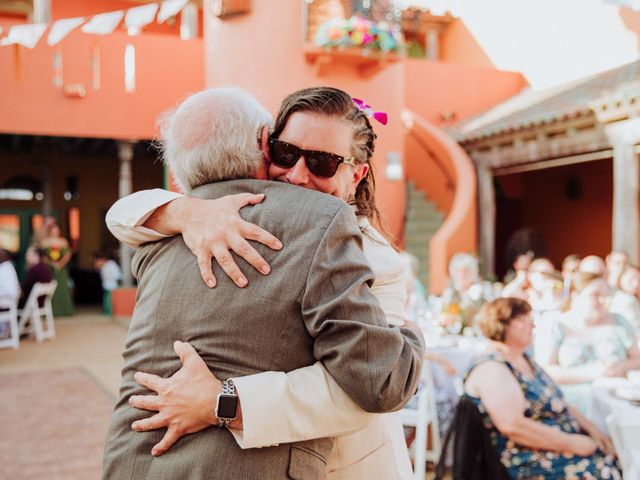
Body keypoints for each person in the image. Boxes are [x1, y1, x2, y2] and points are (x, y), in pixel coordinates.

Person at [102, 87, 424, 480]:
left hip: (344, 465)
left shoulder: (376, 261)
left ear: (355, 174)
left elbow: (361, 393)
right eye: (287, 153)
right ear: (266, 147)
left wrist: (221, 402)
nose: (297, 176)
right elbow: (122, 216)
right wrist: (185, 211)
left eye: (323, 163)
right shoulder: (222, 218)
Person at [463, 297, 621, 479]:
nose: (532, 325)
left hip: (555, 446)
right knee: (603, 470)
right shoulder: (492, 367)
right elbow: (512, 426)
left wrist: (594, 431)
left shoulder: (523, 359)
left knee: (617, 455)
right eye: (523, 320)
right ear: (501, 324)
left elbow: (558, 402)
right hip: (526, 457)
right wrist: (572, 443)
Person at [535, 272, 640, 412]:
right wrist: (591, 372)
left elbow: (636, 358)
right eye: (595, 295)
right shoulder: (555, 325)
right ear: (575, 295)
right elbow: (545, 370)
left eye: (605, 295)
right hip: (573, 405)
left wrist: (618, 367)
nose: (602, 300)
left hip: (617, 400)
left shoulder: (619, 322)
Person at [38, 221, 74, 316]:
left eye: (57, 230)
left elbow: (67, 254)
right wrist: (51, 263)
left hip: (61, 269)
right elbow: (42, 255)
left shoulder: (63, 241)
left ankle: (64, 310)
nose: (55, 232)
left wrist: (60, 263)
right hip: (49, 269)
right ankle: (50, 311)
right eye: (53, 230)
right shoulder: (44, 242)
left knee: (61, 288)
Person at [610, 267, 640, 333]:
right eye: (631, 279)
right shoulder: (627, 300)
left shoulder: (620, 296)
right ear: (621, 278)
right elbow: (635, 328)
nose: (636, 284)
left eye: (639, 279)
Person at [0, 249, 20, 338]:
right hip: (9, 301)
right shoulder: (8, 267)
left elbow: (8, 290)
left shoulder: (4, 269)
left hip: (6, 302)